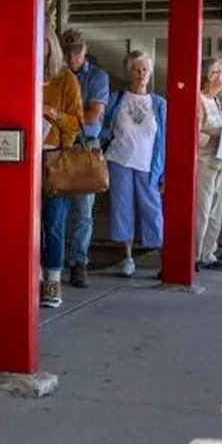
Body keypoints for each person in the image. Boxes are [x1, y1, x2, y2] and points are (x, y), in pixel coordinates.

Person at [101, 50, 166, 278]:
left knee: (153, 211)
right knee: (122, 209)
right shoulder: (116, 99)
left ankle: (164, 257)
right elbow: (102, 127)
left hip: (148, 165)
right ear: (129, 72)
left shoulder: (158, 104)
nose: (141, 74)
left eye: (145, 70)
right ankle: (127, 257)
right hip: (119, 161)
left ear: (150, 73)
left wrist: (164, 173)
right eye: (136, 70)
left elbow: (164, 139)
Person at [38, 30, 85, 307]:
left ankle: (53, 281)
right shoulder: (22, 74)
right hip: (23, 158)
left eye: (42, 44)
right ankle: (30, 278)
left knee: (53, 222)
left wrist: (50, 112)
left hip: (55, 158)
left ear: (51, 47)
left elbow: (77, 124)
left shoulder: (66, 79)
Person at [61, 28, 111, 287]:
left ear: (85, 49)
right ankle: (51, 263)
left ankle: (79, 262)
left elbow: (93, 115)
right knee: (54, 212)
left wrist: (60, 116)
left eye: (77, 53)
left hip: (85, 145)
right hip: (58, 146)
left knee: (83, 212)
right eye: (68, 54)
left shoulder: (97, 76)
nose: (72, 59)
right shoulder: (56, 75)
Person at [196, 56, 222, 272]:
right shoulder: (199, 100)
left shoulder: (216, 101)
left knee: (215, 212)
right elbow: (194, 134)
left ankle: (208, 253)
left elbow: (219, 127)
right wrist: (219, 137)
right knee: (201, 210)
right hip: (203, 161)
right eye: (218, 72)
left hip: (220, 161)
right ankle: (193, 254)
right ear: (209, 76)